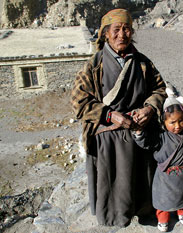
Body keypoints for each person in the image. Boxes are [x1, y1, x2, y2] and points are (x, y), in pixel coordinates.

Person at [70, 8, 167, 227]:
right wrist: (110, 115)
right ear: (105, 33)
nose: (122, 35)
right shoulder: (94, 65)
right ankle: (115, 216)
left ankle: (143, 210)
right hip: (108, 138)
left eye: (127, 29)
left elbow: (160, 89)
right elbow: (79, 101)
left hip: (139, 133)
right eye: (116, 29)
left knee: (141, 178)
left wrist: (150, 109)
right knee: (115, 183)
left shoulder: (143, 63)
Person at [132, 97, 183, 232]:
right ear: (164, 122)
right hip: (165, 176)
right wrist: (138, 132)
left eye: (181, 120)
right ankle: (163, 220)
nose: (178, 126)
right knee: (163, 200)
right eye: (172, 122)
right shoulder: (161, 136)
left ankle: (182, 213)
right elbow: (147, 143)